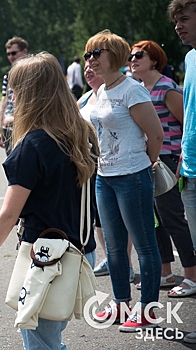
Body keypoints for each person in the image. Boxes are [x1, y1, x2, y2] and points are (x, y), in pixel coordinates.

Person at [0, 52, 98, 350]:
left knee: (41, 342)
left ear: (31, 94)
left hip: (47, 257)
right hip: (80, 250)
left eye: (16, 90)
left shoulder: (33, 144)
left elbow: (7, 216)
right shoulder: (81, 132)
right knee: (48, 339)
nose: (13, 97)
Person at [84, 30, 163, 331]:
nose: (90, 59)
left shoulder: (132, 90)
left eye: (96, 52)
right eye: (87, 54)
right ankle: (121, 305)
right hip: (105, 177)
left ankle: (149, 310)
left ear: (114, 55)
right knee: (115, 248)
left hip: (132, 176)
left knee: (144, 247)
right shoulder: (102, 90)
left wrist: (146, 165)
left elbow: (156, 135)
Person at [129, 40, 196, 297]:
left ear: (154, 59)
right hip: (147, 162)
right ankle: (166, 272)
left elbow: (187, 123)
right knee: (155, 221)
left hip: (168, 161)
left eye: (138, 55)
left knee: (173, 218)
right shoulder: (137, 89)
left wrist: (181, 160)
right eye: (130, 56)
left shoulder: (167, 88)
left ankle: (191, 274)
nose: (132, 59)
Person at [78, 62, 136, 282]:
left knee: (121, 218)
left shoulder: (117, 94)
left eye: (92, 67)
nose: (88, 71)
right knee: (98, 218)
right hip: (89, 166)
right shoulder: (83, 99)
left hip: (116, 165)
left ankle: (126, 263)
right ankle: (110, 257)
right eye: (85, 68)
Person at [169, 0, 196, 343]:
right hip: (189, 168)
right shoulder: (189, 59)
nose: (178, 26)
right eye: (176, 21)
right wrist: (181, 157)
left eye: (185, 18)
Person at [0, 36, 28, 156]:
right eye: (8, 54)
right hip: (8, 128)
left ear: (24, 51)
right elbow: (4, 103)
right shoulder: (8, 76)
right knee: (11, 166)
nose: (11, 57)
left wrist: (15, 119)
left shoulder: (32, 73)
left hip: (24, 126)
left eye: (14, 53)